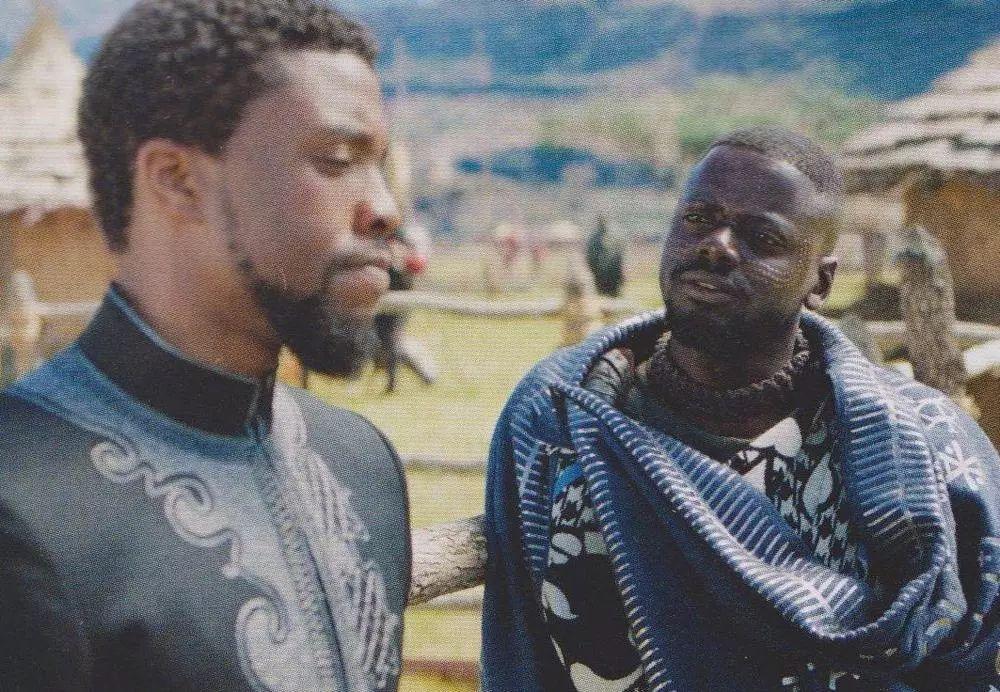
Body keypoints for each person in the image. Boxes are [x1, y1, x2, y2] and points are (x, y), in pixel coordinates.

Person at [481, 126, 1000, 691]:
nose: (718, 245)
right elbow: (522, 652)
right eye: (698, 218)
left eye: (762, 237)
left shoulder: (923, 443)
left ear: (820, 280)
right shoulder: (557, 420)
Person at [0, 1, 411, 690]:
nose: (386, 208)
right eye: (337, 161)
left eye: (380, 165)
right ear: (176, 179)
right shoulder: (20, 496)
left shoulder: (360, 466)